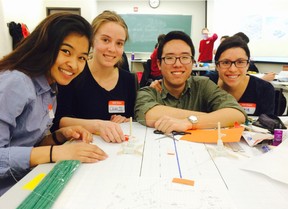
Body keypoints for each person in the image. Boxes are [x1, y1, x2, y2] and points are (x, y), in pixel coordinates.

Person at [0, 13, 108, 196]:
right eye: (66, 51)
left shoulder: (51, 87)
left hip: (27, 182)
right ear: (46, 45)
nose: (74, 65)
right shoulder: (16, 83)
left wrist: (58, 137)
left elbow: (27, 144)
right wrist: (55, 152)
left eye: (82, 58)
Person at [134, 31, 246, 134]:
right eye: (170, 58)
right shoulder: (150, 91)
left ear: (192, 62)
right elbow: (149, 114)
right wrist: (212, 118)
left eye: (185, 57)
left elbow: (237, 114)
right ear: (159, 64)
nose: (177, 64)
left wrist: (189, 122)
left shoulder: (203, 86)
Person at [52, 10, 138, 143]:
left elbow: (133, 118)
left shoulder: (129, 80)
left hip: (117, 150)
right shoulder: (74, 73)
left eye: (119, 43)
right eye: (105, 40)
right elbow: (60, 120)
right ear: (92, 40)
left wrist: (126, 121)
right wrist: (99, 125)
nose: (112, 49)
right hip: (80, 149)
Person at [214, 35, 275, 116]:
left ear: (248, 65)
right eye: (226, 62)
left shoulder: (264, 89)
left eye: (240, 62)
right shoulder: (206, 85)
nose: (233, 69)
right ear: (217, 66)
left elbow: (266, 124)